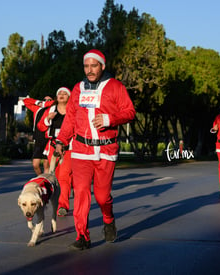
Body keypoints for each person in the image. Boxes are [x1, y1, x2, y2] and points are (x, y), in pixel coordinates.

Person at [55, 49, 136, 250]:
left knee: (101, 196)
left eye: (94, 66)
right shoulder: (78, 88)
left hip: (106, 151)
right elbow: (71, 117)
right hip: (81, 149)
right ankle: (83, 236)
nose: (89, 70)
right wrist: (61, 141)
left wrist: (110, 119)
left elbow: (130, 111)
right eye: (86, 66)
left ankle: (108, 219)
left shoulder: (116, 86)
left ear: (102, 66)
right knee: (81, 193)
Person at [37, 87, 73, 217]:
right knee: (55, 177)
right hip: (53, 147)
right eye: (59, 93)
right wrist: (47, 119)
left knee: (64, 176)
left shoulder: (73, 111)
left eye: (65, 93)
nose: (62, 95)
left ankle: (62, 206)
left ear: (69, 97)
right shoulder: (50, 110)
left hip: (68, 147)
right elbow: (40, 126)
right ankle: (55, 202)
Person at [22, 96, 54, 175]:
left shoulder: (53, 109)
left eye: (49, 100)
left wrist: (47, 103)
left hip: (48, 139)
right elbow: (25, 101)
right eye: (44, 100)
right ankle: (40, 179)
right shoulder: (37, 108)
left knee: (46, 165)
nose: (46, 101)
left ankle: (46, 183)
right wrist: (37, 102)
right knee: (35, 164)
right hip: (38, 138)